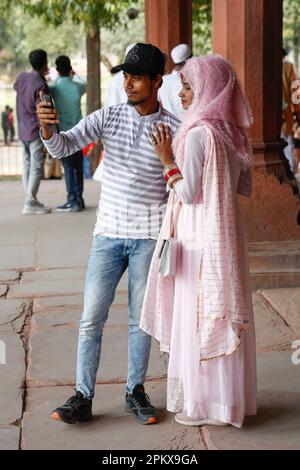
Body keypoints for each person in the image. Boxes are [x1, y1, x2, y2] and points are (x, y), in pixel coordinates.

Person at [37, 43, 180, 425]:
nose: (128, 83)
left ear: (157, 81)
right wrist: (48, 127)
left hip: (148, 237)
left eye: (136, 77)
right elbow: (63, 146)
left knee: (140, 321)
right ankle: (82, 396)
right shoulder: (108, 117)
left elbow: (182, 188)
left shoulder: (175, 130)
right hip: (107, 236)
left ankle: (135, 392)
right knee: (90, 320)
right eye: (126, 76)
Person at [140, 55, 257, 428]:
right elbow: (243, 186)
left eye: (190, 87)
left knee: (196, 316)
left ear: (209, 89)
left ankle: (203, 403)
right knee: (217, 311)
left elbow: (188, 193)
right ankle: (226, 403)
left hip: (196, 237)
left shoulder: (197, 134)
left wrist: (165, 160)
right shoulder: (232, 133)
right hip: (224, 236)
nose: (184, 95)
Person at [14, 49, 51, 214]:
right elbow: (43, 107)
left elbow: (18, 89)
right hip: (35, 129)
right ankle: (30, 202)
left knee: (27, 164)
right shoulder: (41, 84)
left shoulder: (21, 78)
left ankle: (30, 198)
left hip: (21, 127)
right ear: (45, 63)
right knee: (36, 166)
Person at [49, 55, 87, 211]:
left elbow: (47, 89)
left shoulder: (55, 88)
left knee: (68, 167)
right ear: (70, 68)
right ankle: (79, 198)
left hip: (63, 133)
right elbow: (84, 83)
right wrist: (74, 74)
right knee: (78, 167)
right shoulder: (78, 86)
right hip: (79, 132)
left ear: (57, 70)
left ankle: (72, 200)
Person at [158, 43, 192, 120]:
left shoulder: (163, 80)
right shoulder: (190, 81)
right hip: (186, 126)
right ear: (191, 58)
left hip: (168, 127)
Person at [282, 48, 299, 175]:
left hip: (263, 119)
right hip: (284, 116)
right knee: (287, 148)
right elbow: (296, 94)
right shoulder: (288, 66)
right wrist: (298, 114)